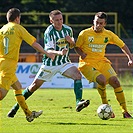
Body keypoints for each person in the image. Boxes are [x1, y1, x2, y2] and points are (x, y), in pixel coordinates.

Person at [7, 9, 90, 118]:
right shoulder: (49, 32)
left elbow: (72, 45)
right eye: (56, 20)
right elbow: (49, 50)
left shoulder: (68, 29)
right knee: (33, 87)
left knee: (77, 75)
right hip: (50, 64)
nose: (59, 22)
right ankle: (15, 108)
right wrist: (60, 52)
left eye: (61, 19)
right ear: (51, 21)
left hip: (64, 62)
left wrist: (71, 42)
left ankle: (78, 102)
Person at [0, 8, 55, 122]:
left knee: (18, 87)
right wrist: (46, 53)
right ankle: (28, 114)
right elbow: (34, 43)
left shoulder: (2, 29)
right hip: (9, 64)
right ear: (17, 18)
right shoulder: (18, 28)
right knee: (2, 94)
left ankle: (28, 114)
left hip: (2, 62)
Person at [74, 12, 133, 118]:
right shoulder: (84, 33)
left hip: (102, 62)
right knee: (101, 79)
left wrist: (130, 58)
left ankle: (125, 111)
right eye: (96, 22)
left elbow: (123, 45)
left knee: (115, 81)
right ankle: (106, 105)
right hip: (87, 64)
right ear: (93, 21)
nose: (98, 25)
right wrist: (82, 54)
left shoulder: (108, 34)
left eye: (101, 23)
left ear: (105, 24)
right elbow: (76, 46)